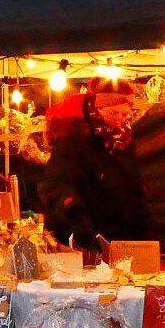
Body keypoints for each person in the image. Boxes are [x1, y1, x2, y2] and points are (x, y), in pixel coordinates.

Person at [39, 77, 149, 252]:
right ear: (97, 109)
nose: (120, 119)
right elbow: (54, 183)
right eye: (114, 113)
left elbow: (132, 183)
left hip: (117, 234)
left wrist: (141, 219)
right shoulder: (72, 137)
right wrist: (74, 211)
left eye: (126, 114)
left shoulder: (123, 140)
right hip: (80, 234)